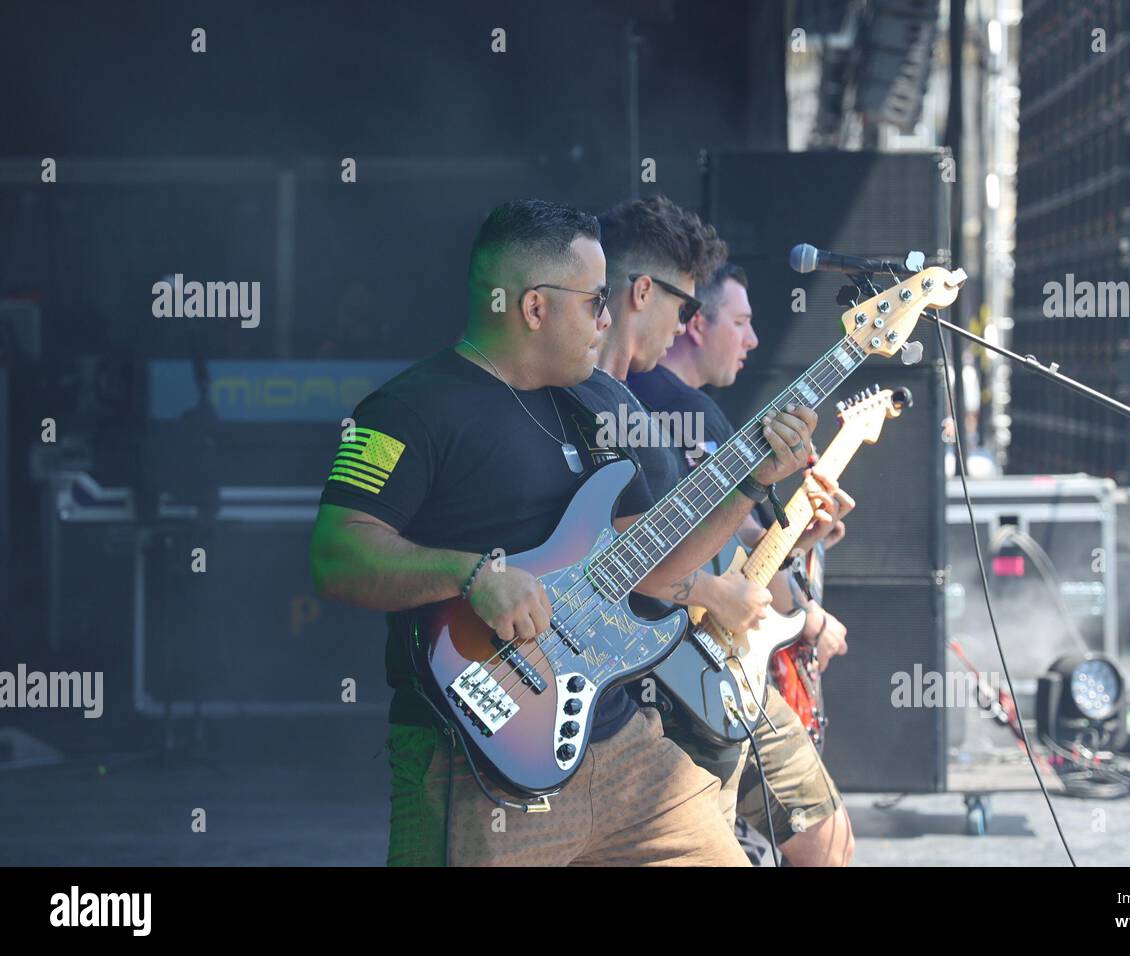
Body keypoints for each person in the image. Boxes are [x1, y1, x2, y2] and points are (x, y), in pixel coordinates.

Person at [308, 199, 816, 866]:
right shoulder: (407, 410)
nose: (608, 320)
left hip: (623, 748)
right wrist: (471, 576)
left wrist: (752, 481)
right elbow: (336, 552)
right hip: (478, 758)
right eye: (592, 302)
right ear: (533, 308)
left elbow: (659, 571)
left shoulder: (606, 403)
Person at [628, 260, 856, 866]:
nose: (754, 339)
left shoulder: (659, 407)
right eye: (742, 321)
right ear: (695, 322)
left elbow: (743, 555)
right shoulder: (681, 415)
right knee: (819, 845)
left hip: (691, 674)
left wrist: (804, 537)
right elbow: (632, 559)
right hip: (689, 678)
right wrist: (801, 614)